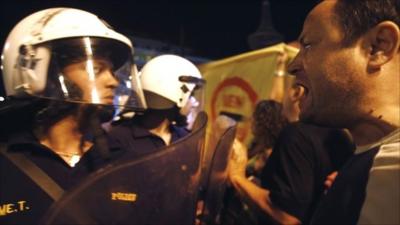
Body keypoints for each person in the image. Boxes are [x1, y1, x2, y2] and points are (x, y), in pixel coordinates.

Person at [0, 8, 144, 224]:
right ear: (43, 77)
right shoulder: (7, 163)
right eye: (96, 69)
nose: (113, 81)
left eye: (112, 71)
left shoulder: (122, 161)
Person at [287, 0, 399, 224]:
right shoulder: (372, 160)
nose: (293, 65)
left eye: (308, 45)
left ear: (378, 47)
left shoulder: (393, 169)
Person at [108, 54, 205, 158]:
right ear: (173, 93)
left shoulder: (185, 137)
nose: (195, 103)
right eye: (191, 95)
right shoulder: (118, 138)